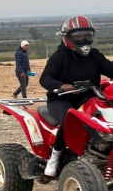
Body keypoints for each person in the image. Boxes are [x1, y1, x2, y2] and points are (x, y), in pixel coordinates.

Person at [39, 15, 113, 176]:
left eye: (88, 36)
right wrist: (60, 86)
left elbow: (110, 69)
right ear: (67, 37)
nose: (84, 41)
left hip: (89, 98)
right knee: (69, 118)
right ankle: (54, 159)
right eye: (79, 36)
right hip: (61, 99)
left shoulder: (94, 55)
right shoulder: (60, 56)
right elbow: (45, 78)